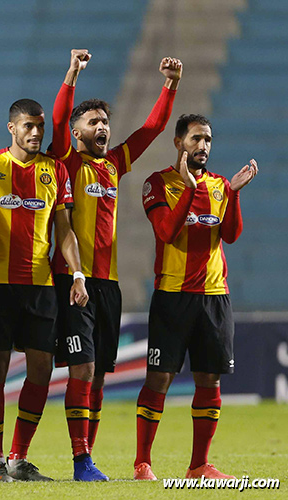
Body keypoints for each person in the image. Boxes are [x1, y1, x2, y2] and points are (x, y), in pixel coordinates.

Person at [49, 49, 181, 481]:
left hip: (109, 283)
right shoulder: (66, 162)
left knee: (100, 375)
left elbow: (152, 128)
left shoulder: (114, 164)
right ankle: (80, 460)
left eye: (105, 122)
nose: (103, 128)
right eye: (94, 123)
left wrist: (170, 85)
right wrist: (72, 73)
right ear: (77, 132)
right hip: (73, 278)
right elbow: (59, 117)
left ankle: (89, 457)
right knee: (82, 368)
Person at [0, 99, 88, 482]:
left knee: (41, 370)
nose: (35, 133)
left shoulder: (56, 170)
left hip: (40, 286)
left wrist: (78, 273)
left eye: (40, 127)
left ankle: (19, 457)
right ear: (11, 128)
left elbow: (63, 229)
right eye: (28, 126)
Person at [134, 114, 257, 481]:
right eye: (196, 139)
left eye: (208, 140)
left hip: (214, 297)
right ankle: (143, 463)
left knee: (209, 380)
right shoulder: (158, 184)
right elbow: (168, 232)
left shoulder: (220, 185)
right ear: (178, 143)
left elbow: (231, 235)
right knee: (159, 379)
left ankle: (199, 465)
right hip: (172, 296)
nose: (203, 146)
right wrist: (188, 188)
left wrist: (233, 195)